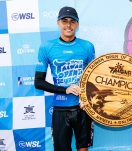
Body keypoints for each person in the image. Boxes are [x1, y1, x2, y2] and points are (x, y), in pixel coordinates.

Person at [34, 6, 95, 151]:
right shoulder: (46, 47)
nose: (68, 25)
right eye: (64, 21)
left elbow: (93, 77)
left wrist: (87, 98)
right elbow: (38, 82)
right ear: (58, 23)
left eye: (72, 21)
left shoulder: (87, 46)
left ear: (77, 24)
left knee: (83, 148)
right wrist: (65, 89)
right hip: (60, 109)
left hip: (83, 108)